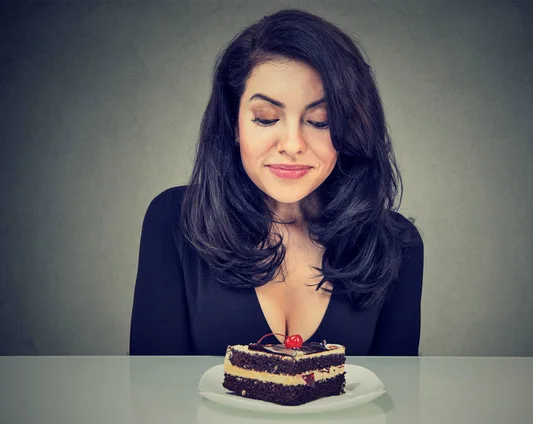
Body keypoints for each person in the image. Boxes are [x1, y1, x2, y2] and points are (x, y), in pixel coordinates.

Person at [129, 9, 424, 356]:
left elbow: (396, 397)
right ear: (234, 124)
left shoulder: (397, 244)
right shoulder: (173, 219)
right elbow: (151, 389)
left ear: (351, 129)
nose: (293, 144)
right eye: (266, 119)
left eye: (319, 120)